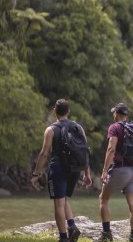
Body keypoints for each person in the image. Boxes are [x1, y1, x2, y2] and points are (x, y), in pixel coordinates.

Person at [31, 99, 93, 242]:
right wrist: (87, 173)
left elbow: (44, 154)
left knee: (59, 204)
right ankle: (72, 226)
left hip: (58, 169)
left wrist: (36, 174)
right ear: (68, 111)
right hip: (75, 169)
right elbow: (84, 152)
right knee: (64, 199)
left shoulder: (51, 130)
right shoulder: (78, 128)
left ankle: (63, 238)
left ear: (54, 111)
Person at [97, 102, 133, 242]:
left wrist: (104, 170)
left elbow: (111, 149)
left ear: (116, 114)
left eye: (114, 112)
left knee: (103, 199)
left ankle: (106, 235)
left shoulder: (115, 127)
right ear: (126, 115)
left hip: (120, 169)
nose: (113, 114)